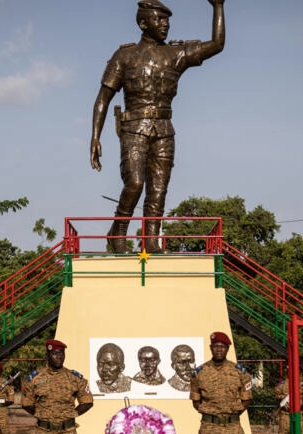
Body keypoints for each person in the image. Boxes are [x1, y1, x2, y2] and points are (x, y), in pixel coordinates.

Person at [90, 0, 226, 253]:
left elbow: (217, 44)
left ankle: (151, 240)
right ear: (143, 23)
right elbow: (103, 98)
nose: (166, 25)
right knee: (135, 183)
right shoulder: (124, 56)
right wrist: (95, 136)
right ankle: (117, 233)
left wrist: (218, 6)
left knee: (159, 187)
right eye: (159, 20)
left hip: (164, 129)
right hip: (134, 127)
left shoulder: (175, 54)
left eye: (167, 20)